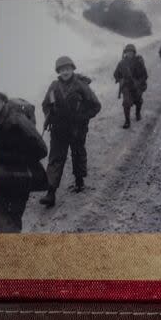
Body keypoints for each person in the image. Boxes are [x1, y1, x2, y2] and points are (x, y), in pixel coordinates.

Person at [39, 56, 102, 207]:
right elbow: (45, 104)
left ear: (73, 69)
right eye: (62, 70)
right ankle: (51, 192)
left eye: (67, 69)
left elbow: (95, 106)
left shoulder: (81, 85)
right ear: (58, 72)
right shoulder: (54, 86)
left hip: (77, 129)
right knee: (55, 158)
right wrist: (49, 115)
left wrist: (82, 118)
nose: (65, 72)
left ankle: (79, 181)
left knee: (78, 153)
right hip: (59, 129)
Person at [0, 91, 48, 232]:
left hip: (18, 179)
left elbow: (42, 150)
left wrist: (11, 158)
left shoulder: (17, 120)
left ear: (2, 102)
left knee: (9, 225)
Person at [113, 43, 148, 129]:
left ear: (134, 53)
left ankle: (137, 113)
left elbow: (145, 75)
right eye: (128, 52)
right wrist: (121, 80)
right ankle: (127, 121)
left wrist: (139, 83)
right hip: (127, 86)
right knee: (126, 103)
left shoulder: (138, 62)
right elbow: (116, 74)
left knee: (138, 101)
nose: (129, 54)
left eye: (131, 52)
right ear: (125, 53)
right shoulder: (122, 63)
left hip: (137, 86)